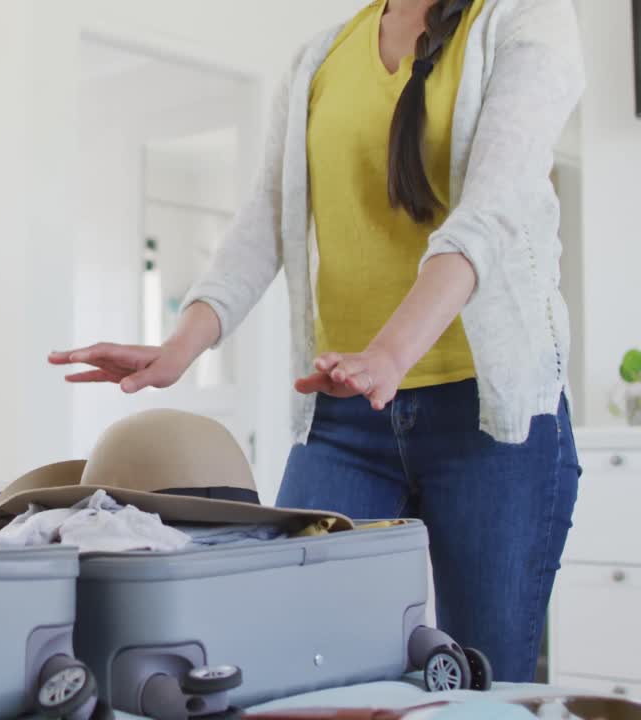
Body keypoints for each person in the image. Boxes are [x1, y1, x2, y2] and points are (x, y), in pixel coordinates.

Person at [50, 0, 583, 682]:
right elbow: (265, 220)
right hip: (345, 418)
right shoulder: (319, 61)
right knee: (291, 653)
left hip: (492, 420)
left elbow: (492, 211)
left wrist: (390, 352)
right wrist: (180, 344)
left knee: (483, 679)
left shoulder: (525, 19)